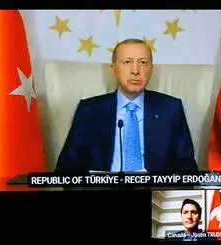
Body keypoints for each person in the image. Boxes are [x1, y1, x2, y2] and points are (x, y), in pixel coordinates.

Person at [55, 38, 198, 173]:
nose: (135, 71)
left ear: (151, 69)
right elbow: (67, 167)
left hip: (155, 195)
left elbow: (187, 167)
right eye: (127, 62)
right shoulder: (90, 110)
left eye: (143, 63)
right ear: (113, 69)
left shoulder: (170, 109)